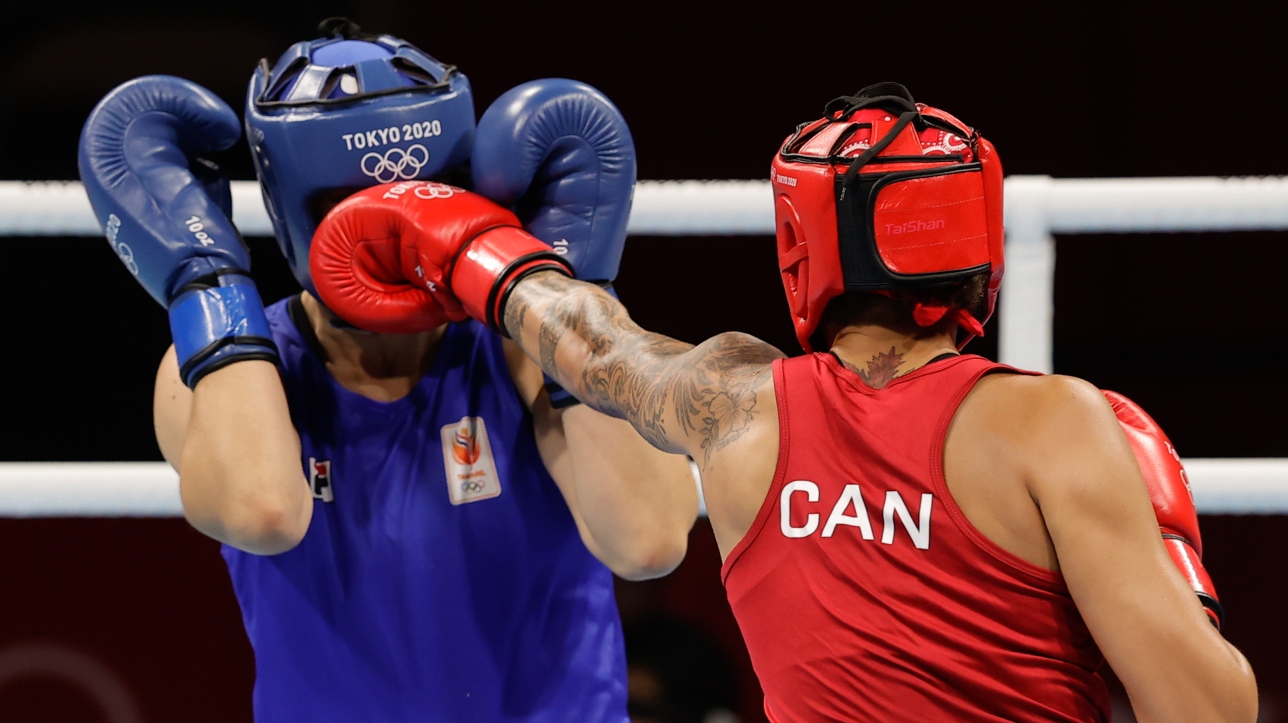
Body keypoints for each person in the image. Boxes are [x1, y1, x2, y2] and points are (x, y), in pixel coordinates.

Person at [305, 82, 1259, 721]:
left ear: (805, 242)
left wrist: (470, 249)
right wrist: (1179, 572)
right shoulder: (1056, 424)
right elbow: (1207, 710)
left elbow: (596, 349)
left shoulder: (733, 409)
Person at [76, 17, 698, 722]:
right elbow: (264, 512)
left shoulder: (525, 344)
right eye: (354, 209)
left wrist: (576, 294)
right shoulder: (228, 372)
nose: (398, 232)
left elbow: (650, 539)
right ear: (295, 211)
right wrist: (208, 287)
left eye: (427, 193)